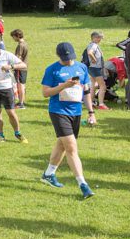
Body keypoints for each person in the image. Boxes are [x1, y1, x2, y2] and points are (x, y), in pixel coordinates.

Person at [39, 42, 96, 199]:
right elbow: (45, 93)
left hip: (76, 112)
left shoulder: (82, 68)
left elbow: (86, 92)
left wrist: (91, 112)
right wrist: (64, 85)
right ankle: (83, 184)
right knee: (71, 148)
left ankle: (48, 174)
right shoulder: (52, 70)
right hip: (58, 111)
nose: (68, 61)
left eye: (70, 58)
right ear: (59, 56)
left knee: (62, 145)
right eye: (65, 59)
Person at [85, 31, 109, 110]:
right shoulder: (94, 45)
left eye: (100, 38)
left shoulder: (91, 44)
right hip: (95, 68)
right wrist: (94, 59)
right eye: (98, 37)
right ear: (93, 38)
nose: (99, 39)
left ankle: (91, 102)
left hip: (91, 68)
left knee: (94, 85)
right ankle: (101, 104)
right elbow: (90, 53)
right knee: (103, 86)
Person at [11, 29, 28, 108]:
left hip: (20, 68)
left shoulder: (20, 45)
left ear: (17, 36)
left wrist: (12, 65)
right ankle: (21, 101)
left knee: (20, 85)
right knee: (22, 85)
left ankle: (21, 103)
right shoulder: (25, 43)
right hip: (24, 68)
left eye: (13, 37)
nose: (13, 38)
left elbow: (18, 58)